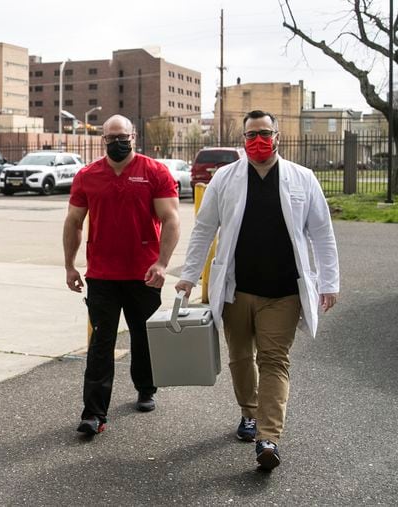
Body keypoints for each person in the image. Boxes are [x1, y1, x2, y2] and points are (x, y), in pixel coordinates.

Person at [175, 110, 339, 471]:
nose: (258, 140)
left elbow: (322, 233)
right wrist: (188, 276)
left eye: (264, 133)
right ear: (243, 140)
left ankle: (268, 437)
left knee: (274, 360)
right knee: (240, 358)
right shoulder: (225, 178)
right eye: (251, 135)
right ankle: (249, 414)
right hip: (236, 289)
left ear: (277, 136)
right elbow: (204, 229)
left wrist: (329, 282)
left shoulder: (302, 178)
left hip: (284, 292)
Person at [63, 114, 180, 436]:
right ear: (103, 139)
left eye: (122, 136)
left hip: (144, 273)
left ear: (134, 136)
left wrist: (162, 263)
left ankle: (146, 387)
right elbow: (73, 222)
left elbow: (171, 219)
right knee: (101, 342)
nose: (117, 142)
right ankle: (94, 414)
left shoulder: (154, 171)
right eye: (111, 137)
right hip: (101, 274)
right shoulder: (88, 175)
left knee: (144, 338)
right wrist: (70, 265)